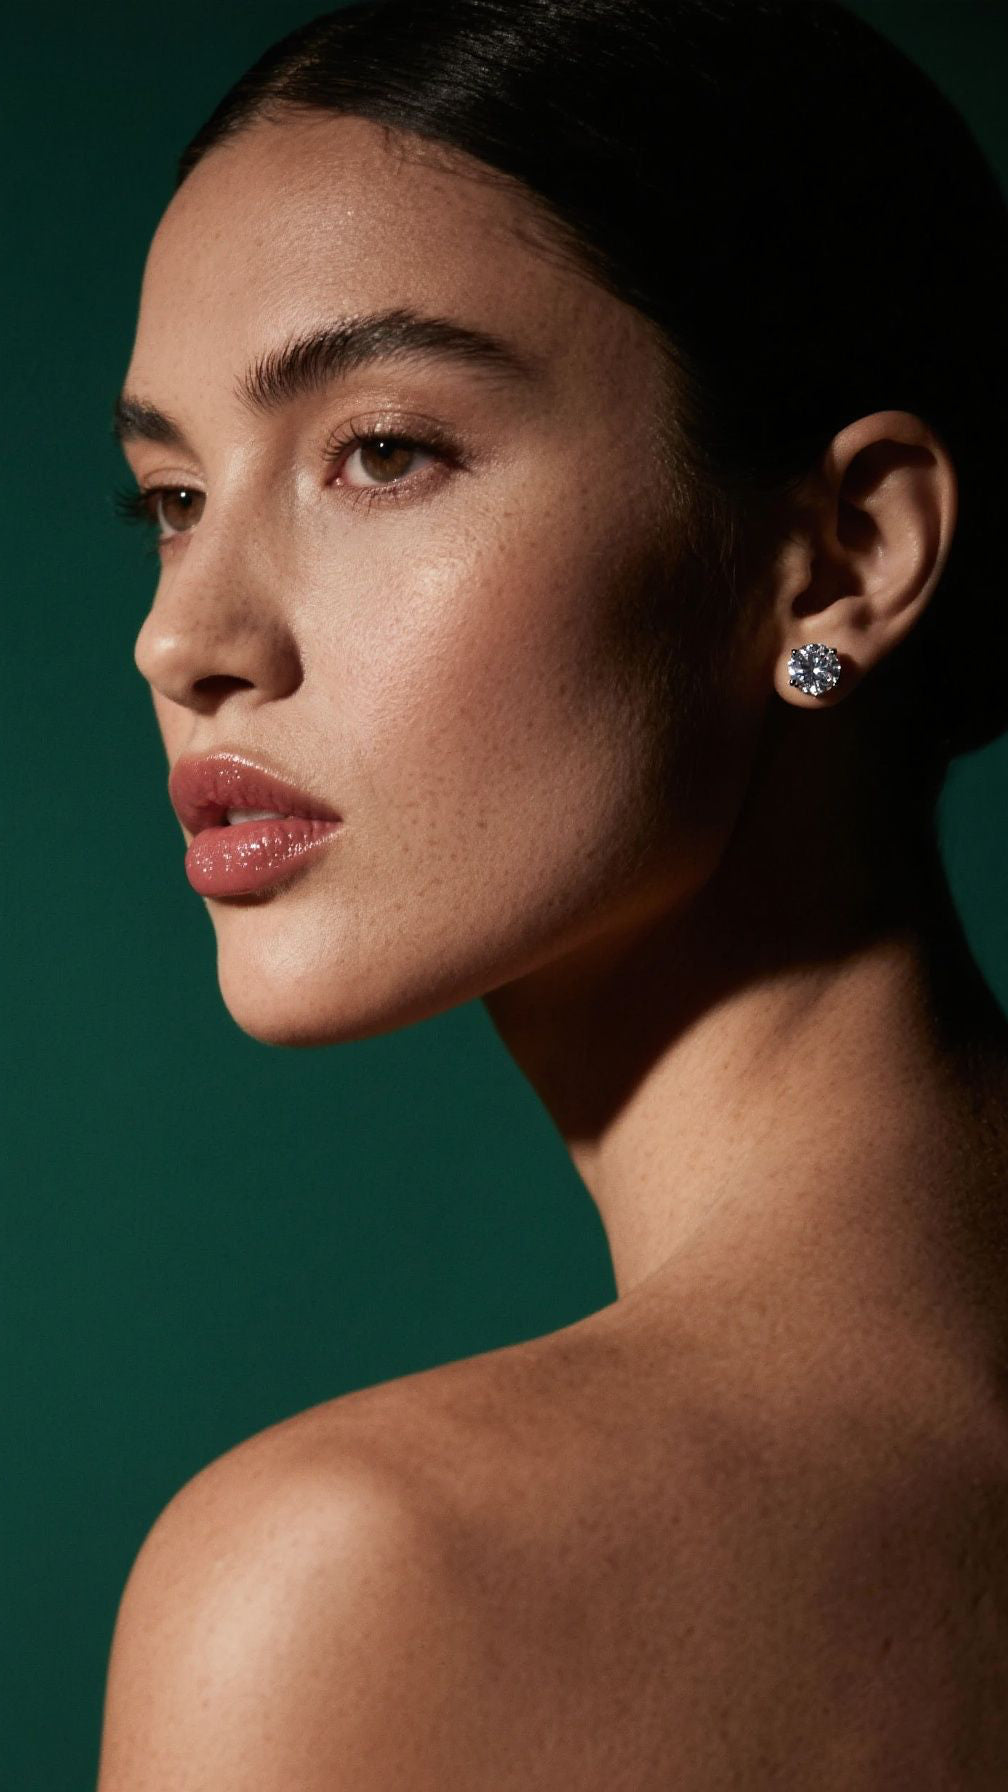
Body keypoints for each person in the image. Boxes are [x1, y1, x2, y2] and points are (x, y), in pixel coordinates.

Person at [98, 0, 1008, 1783]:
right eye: (171, 493)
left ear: (845, 557)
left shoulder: (351, 1584)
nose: (183, 637)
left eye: (382, 452)